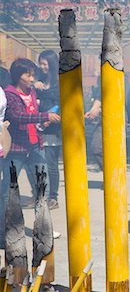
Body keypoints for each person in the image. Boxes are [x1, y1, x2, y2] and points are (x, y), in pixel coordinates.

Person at [0, 58, 60, 247]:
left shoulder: (32, 92)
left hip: (35, 146)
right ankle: (4, 231)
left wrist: (42, 123)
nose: (32, 78)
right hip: (16, 150)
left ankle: (43, 230)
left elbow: (31, 117)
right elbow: (17, 117)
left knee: (43, 189)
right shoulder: (10, 94)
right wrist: (44, 115)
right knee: (8, 191)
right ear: (18, 76)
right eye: (28, 75)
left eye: (33, 75)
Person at [33, 50, 61, 209]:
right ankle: (38, 194)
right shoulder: (39, 81)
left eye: (45, 64)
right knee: (38, 161)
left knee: (51, 163)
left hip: (52, 129)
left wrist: (52, 118)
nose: (42, 66)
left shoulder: (60, 82)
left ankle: (53, 197)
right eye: (40, 63)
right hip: (37, 126)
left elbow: (64, 103)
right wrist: (34, 86)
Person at [85, 77, 103, 171]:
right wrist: (93, 110)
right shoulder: (102, 75)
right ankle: (110, 175)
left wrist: (98, 110)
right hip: (103, 120)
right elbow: (99, 96)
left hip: (117, 119)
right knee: (96, 147)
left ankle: (115, 177)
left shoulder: (122, 78)